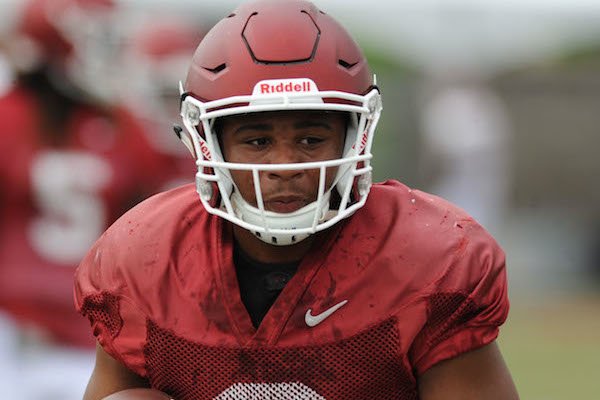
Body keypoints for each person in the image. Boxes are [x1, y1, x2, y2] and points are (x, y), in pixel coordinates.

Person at [74, 0, 519, 399]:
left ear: (355, 137)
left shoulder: (428, 261)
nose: (285, 165)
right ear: (207, 143)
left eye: (310, 138)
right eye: (258, 140)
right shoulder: (144, 261)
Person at [0, 0, 166, 398]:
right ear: (52, 44)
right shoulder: (124, 126)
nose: (109, 52)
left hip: (87, 334)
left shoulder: (123, 123)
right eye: (96, 39)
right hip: (28, 332)